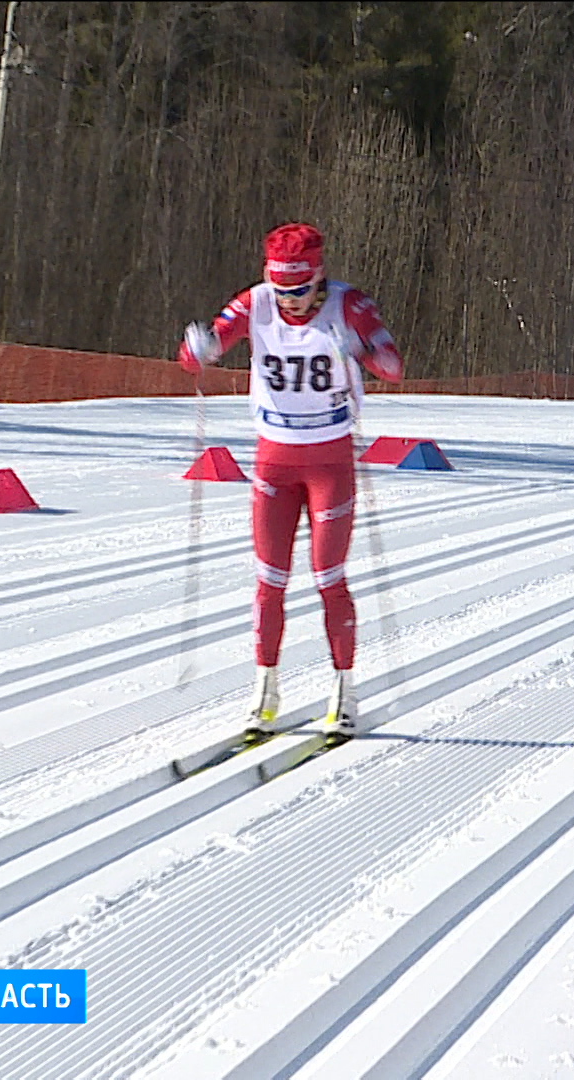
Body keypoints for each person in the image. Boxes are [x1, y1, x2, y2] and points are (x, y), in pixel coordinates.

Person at [179, 222, 405, 733]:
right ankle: (265, 690)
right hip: (274, 460)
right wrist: (200, 348)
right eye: (281, 290)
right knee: (269, 580)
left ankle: (344, 691)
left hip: (329, 461)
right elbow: (199, 353)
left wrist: (360, 350)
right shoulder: (255, 303)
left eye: (300, 290)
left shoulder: (348, 305)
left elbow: (394, 365)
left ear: (318, 278)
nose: (291, 301)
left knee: (328, 576)